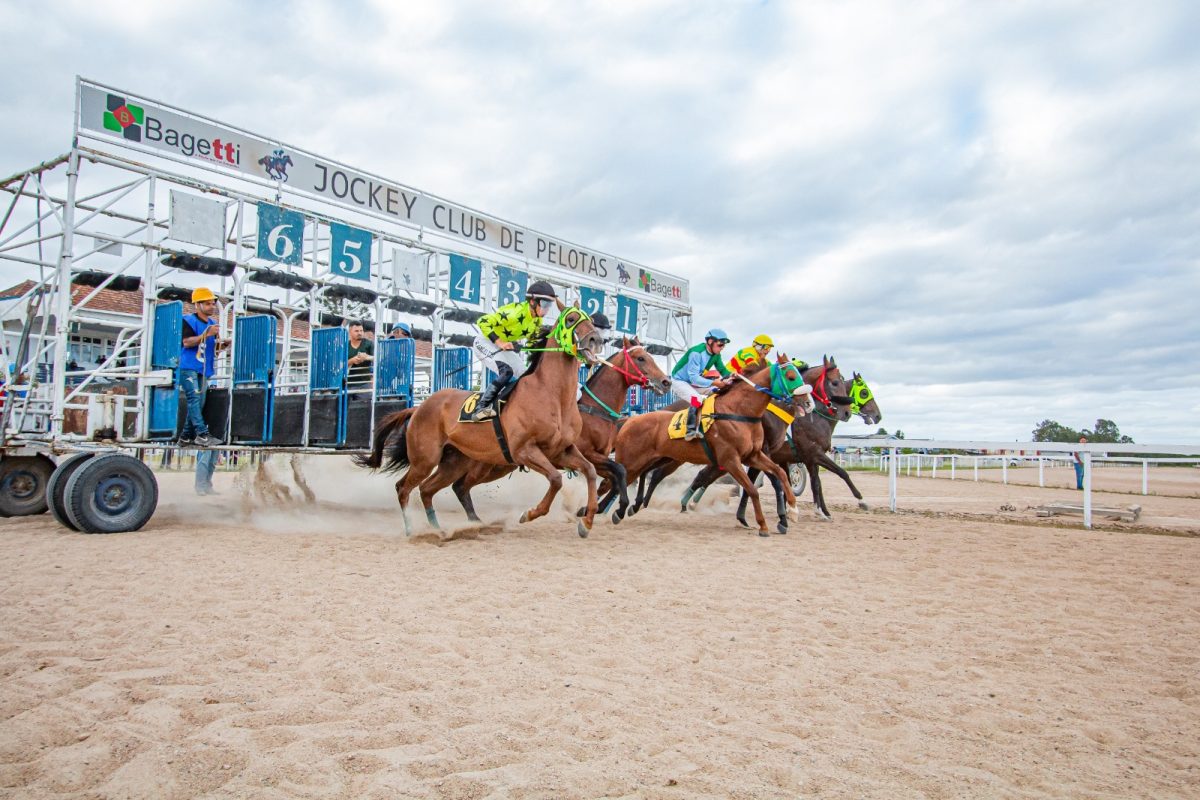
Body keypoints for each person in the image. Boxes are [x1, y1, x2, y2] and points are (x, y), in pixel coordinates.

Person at [469, 280, 558, 420]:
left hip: (502, 348)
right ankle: (481, 409)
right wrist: (500, 341)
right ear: (533, 302)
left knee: (526, 375)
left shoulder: (536, 320)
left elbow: (534, 344)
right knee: (507, 371)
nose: (547, 309)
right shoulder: (514, 313)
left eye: (549, 305)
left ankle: (509, 404)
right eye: (545, 304)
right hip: (484, 342)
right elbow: (483, 321)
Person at [179, 287, 228, 449]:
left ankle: (185, 437)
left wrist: (224, 345)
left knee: (199, 403)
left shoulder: (213, 324)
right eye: (208, 304)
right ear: (197, 305)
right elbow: (186, 342)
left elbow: (215, 350)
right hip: (188, 366)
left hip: (204, 368)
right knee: (194, 399)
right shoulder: (187, 320)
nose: (211, 307)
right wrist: (206, 334)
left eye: (212, 303)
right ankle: (202, 434)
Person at [670, 328, 733, 439]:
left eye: (723, 346)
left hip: (692, 382)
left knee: (716, 391)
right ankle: (690, 431)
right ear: (710, 342)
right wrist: (715, 382)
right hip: (679, 381)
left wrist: (733, 376)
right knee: (697, 400)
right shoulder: (696, 353)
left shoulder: (716, 355)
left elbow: (723, 370)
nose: (722, 348)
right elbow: (694, 378)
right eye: (720, 345)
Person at [346, 321, 374, 387]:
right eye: (356, 331)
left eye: (361, 331)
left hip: (365, 383)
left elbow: (377, 359)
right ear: (350, 332)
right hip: (348, 384)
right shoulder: (345, 345)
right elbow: (340, 365)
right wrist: (352, 360)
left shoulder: (369, 344)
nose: (360, 333)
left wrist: (366, 357)